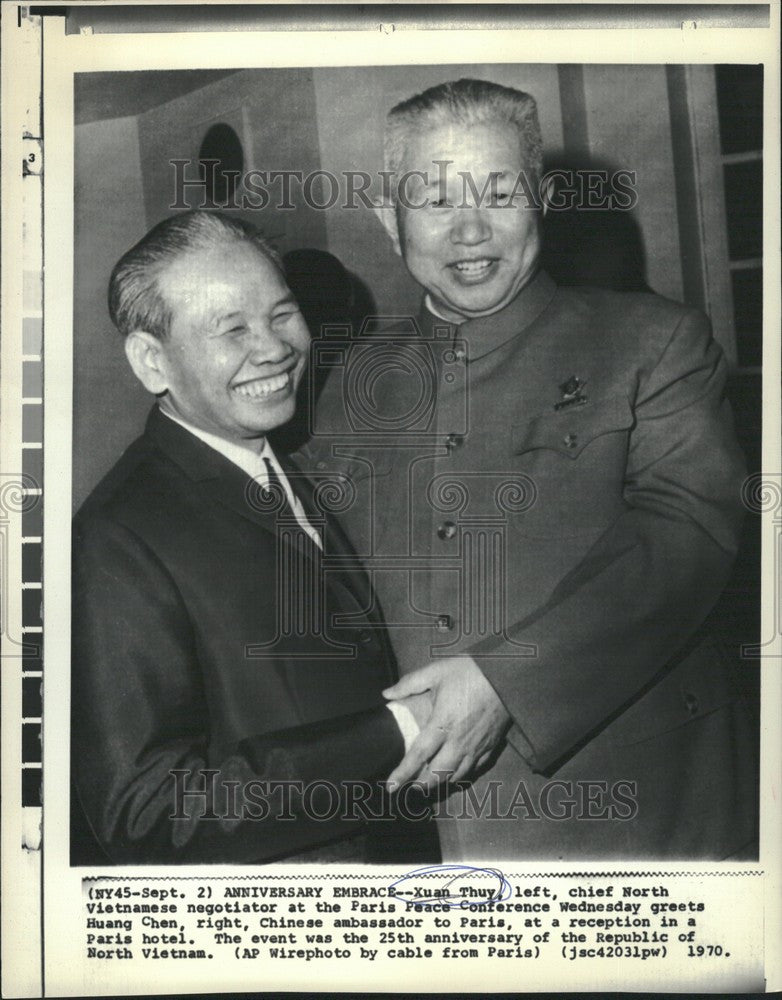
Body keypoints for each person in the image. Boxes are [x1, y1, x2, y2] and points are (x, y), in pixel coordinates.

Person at [299, 78, 758, 860]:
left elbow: (689, 536)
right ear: (388, 218)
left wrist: (506, 679)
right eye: (436, 200)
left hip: (632, 816)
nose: (470, 231)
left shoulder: (655, 342)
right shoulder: (350, 381)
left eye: (500, 193)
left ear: (542, 200)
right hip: (416, 826)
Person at [71, 210, 437, 865]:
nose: (272, 348)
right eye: (231, 328)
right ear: (153, 361)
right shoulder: (118, 536)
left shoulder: (284, 463)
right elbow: (146, 809)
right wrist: (404, 731)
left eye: (281, 313)